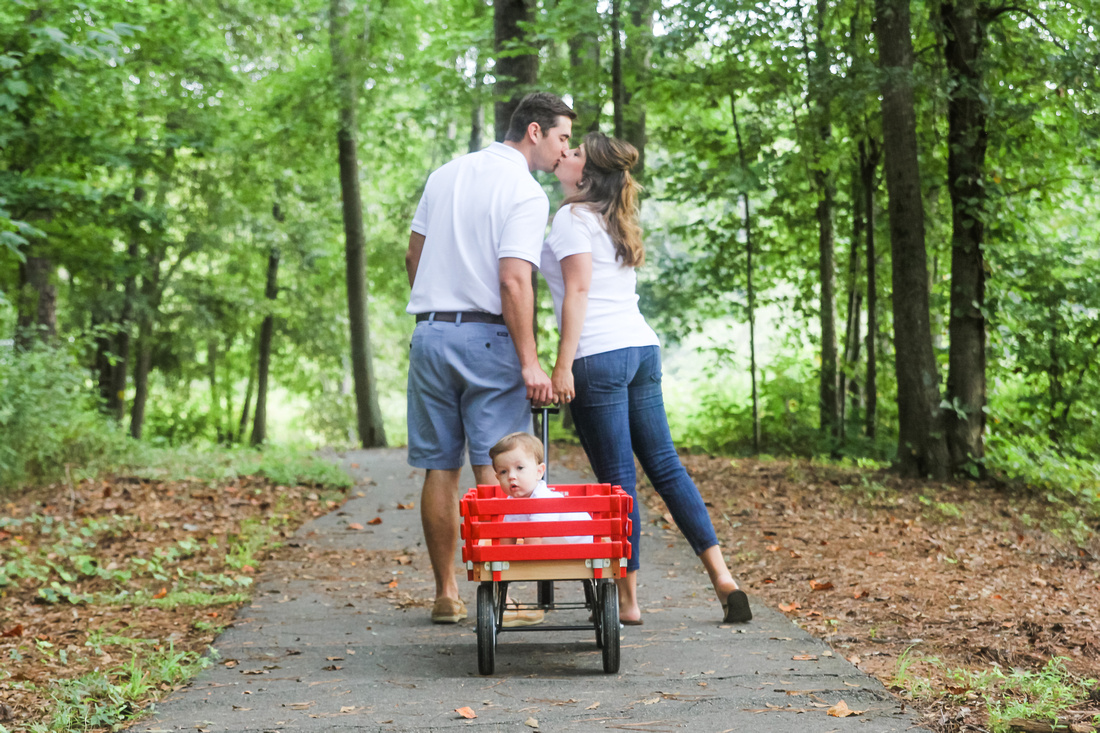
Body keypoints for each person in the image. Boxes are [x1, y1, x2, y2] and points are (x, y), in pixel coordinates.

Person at [539, 132, 752, 625]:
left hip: (599, 355)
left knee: (617, 481)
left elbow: (578, 293)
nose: (564, 157)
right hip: (641, 348)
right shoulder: (614, 218)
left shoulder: (571, 218)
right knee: (666, 466)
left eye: (573, 154)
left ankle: (629, 602)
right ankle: (722, 576)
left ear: (586, 175)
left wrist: (562, 363)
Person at [405, 93, 576, 624]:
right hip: (487, 339)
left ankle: (446, 593)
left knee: (438, 467)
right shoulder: (524, 191)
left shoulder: (445, 174)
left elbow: (413, 254)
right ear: (533, 131)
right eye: (562, 137)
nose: (564, 148)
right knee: (497, 466)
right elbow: (512, 278)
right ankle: (503, 599)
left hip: (430, 335)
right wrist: (529, 360)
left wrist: (438, 310)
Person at [489, 431, 593, 627]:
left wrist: (514, 553)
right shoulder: (512, 501)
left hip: (579, 545)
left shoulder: (542, 499)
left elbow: (533, 542)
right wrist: (500, 558)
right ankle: (501, 598)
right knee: (524, 537)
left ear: (539, 471)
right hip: (555, 543)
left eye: (520, 468)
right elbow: (507, 537)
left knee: (533, 536)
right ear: (497, 477)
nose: (512, 476)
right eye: (503, 472)